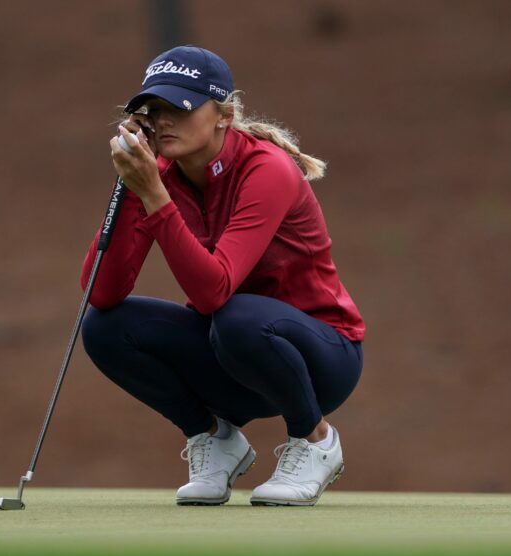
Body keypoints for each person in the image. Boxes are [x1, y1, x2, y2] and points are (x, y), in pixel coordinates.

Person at [80, 45, 364, 507]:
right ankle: (214, 439)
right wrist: (135, 188)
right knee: (104, 327)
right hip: (232, 355)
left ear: (224, 115)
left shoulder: (267, 169)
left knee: (235, 315)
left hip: (322, 359)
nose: (164, 119)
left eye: (181, 107)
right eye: (154, 110)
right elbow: (104, 290)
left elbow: (213, 292)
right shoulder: (161, 175)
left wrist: (154, 195)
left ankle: (315, 441)